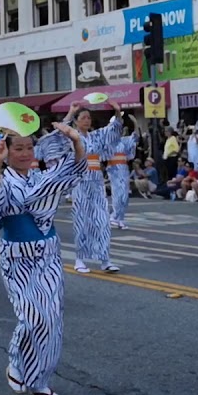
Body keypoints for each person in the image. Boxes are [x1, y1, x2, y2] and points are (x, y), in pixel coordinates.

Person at [0, 119, 87, 395]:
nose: (25, 153)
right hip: (16, 257)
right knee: (33, 315)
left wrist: (76, 141)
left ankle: (40, 381)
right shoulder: (4, 177)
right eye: (18, 148)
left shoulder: (41, 178)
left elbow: (73, 171)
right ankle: (17, 362)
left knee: (51, 319)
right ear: (7, 151)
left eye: (28, 147)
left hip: (48, 253)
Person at [64, 101, 124, 273]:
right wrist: (70, 111)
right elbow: (61, 132)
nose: (87, 120)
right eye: (83, 117)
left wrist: (117, 111)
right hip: (80, 181)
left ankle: (105, 259)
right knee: (82, 220)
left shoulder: (96, 136)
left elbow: (113, 130)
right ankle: (80, 259)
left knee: (102, 221)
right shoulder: (73, 136)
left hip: (96, 182)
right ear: (76, 121)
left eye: (89, 117)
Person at [107, 127, 137, 230]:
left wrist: (135, 124)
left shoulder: (123, 141)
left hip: (123, 170)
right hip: (114, 170)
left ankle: (120, 218)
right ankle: (114, 216)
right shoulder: (108, 142)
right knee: (118, 194)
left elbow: (134, 139)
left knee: (125, 196)